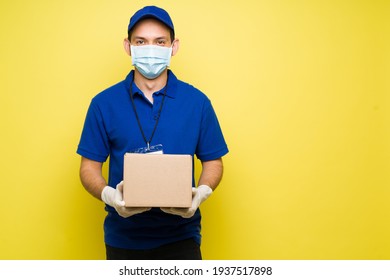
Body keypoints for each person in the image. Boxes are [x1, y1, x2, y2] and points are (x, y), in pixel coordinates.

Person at [77, 5, 228, 260]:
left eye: (160, 42)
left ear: (173, 46)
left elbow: (213, 161)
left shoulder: (197, 102)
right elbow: (88, 168)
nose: (151, 49)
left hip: (182, 237)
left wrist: (201, 193)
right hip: (122, 239)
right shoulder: (103, 103)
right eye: (141, 41)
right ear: (128, 46)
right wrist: (110, 196)